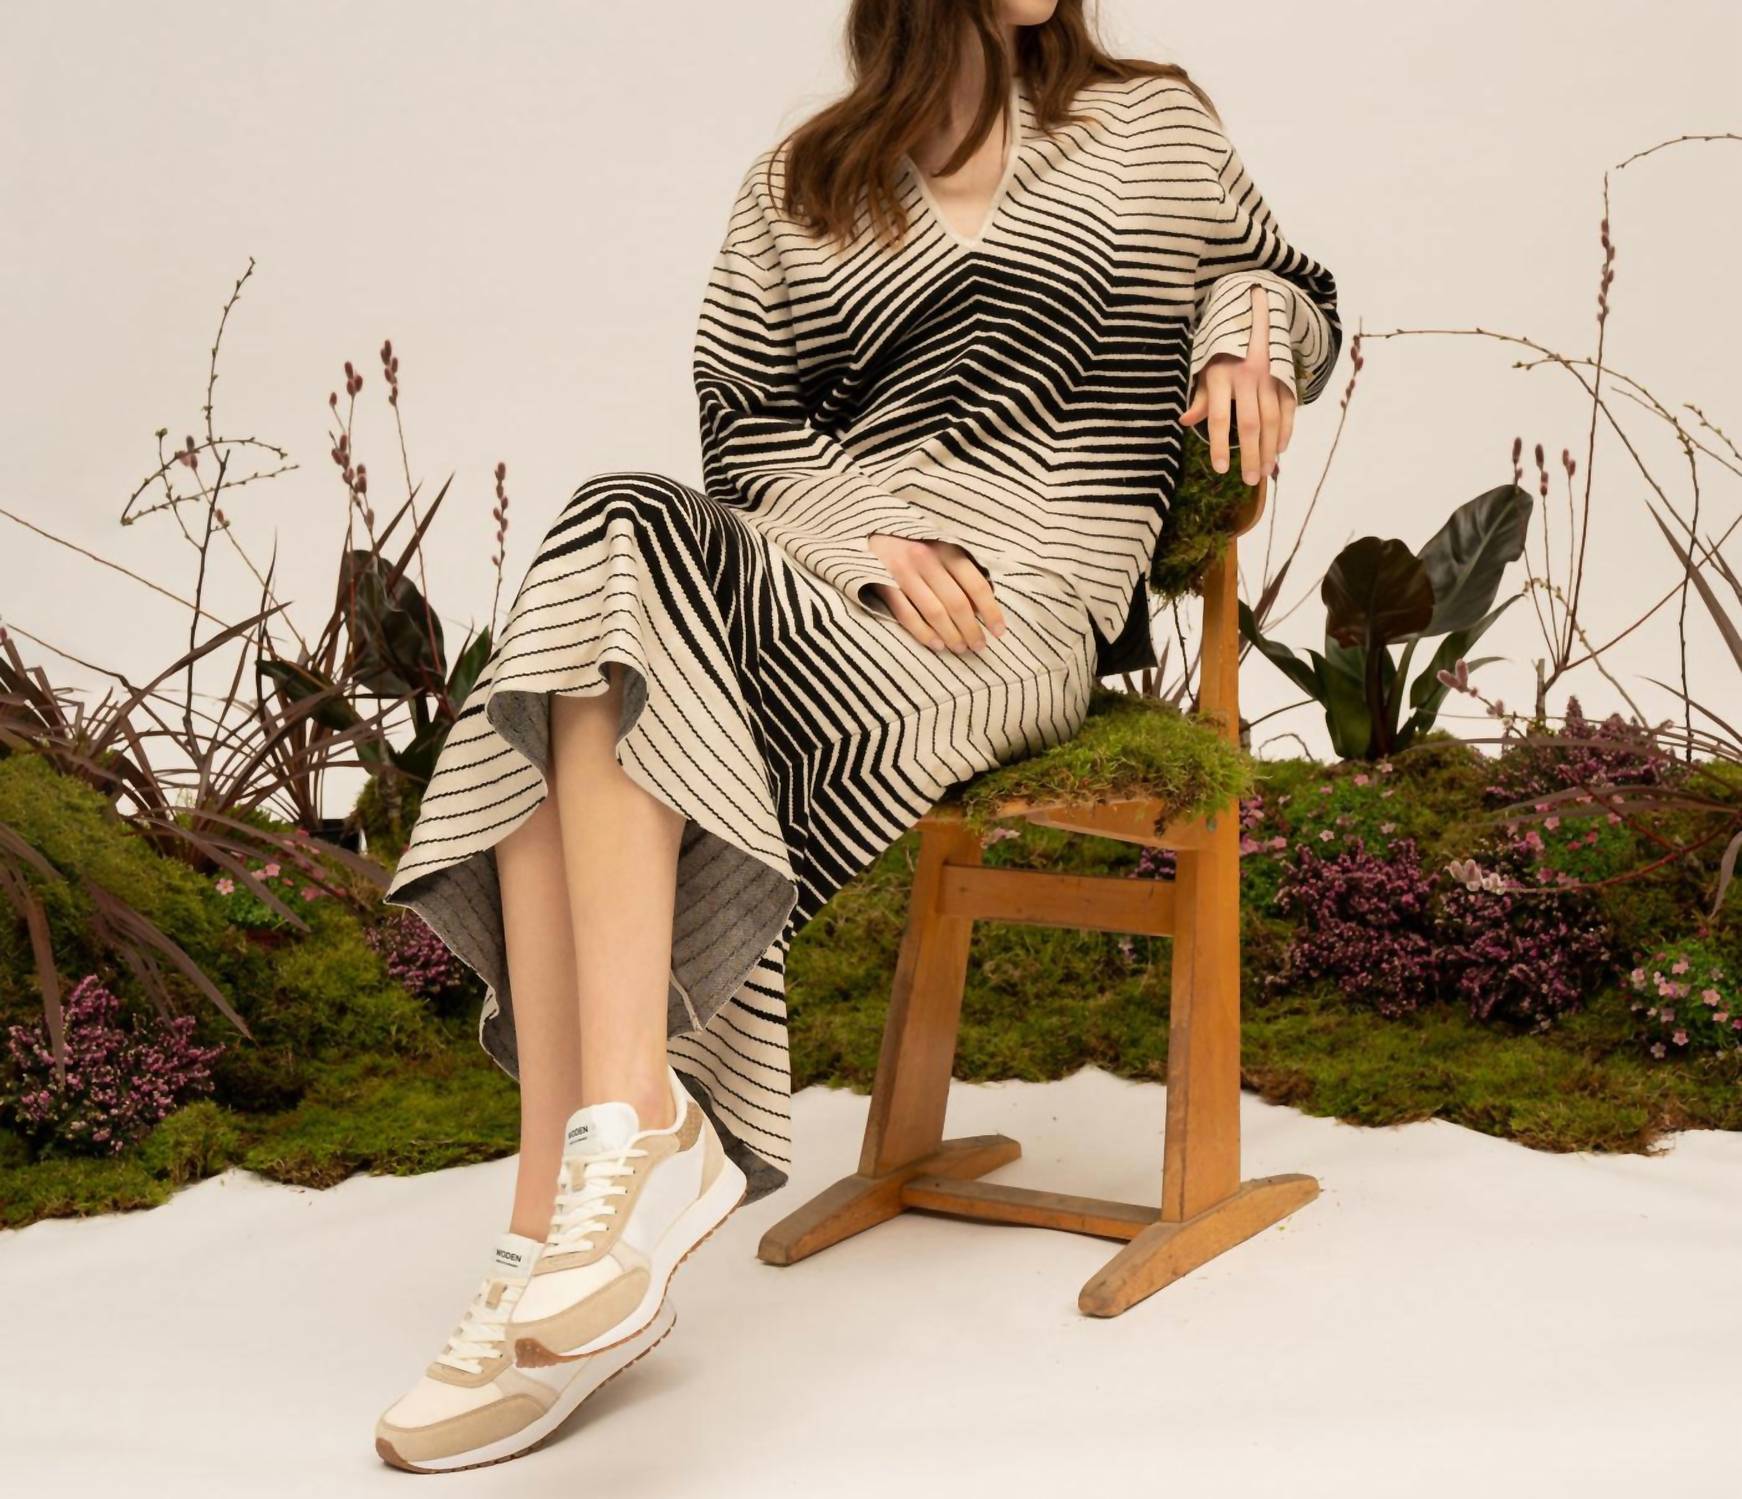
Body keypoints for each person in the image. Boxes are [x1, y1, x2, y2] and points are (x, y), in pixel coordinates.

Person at [372, 0, 1340, 1472]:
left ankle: (580, 1207)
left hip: (1015, 616)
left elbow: (1281, 279)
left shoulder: (1151, 125)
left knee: (598, 649)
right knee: (601, 569)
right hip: (836, 581)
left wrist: (1240, 344)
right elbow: (743, 428)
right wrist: (863, 541)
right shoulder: (800, 184)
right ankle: (574, 1219)